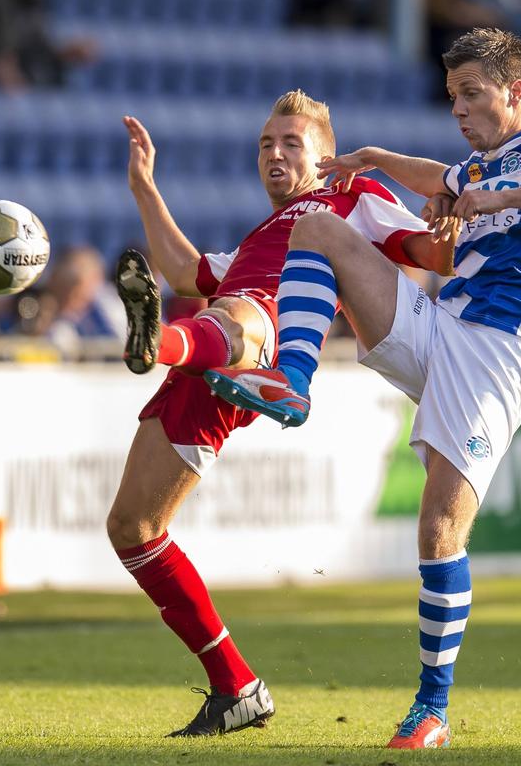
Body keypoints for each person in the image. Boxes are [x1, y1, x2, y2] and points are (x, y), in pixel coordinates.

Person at [208, 28, 521, 749]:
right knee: (318, 228)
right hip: (442, 324)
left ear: (516, 92)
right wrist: (376, 160)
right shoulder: (474, 165)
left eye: (471, 94)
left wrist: (501, 190)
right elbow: (445, 178)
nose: (458, 110)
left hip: (501, 347)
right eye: (451, 97)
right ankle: (294, 379)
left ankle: (431, 709)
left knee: (438, 528)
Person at [108, 91, 455, 737]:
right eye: (267, 143)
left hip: (259, 340)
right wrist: (144, 187)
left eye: (291, 143)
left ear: (328, 158)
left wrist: (455, 219)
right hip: (210, 358)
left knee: (237, 316)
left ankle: (159, 341)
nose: (274, 152)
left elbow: (430, 251)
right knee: (133, 527)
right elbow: (184, 271)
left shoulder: (353, 201)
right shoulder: (259, 237)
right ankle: (236, 687)